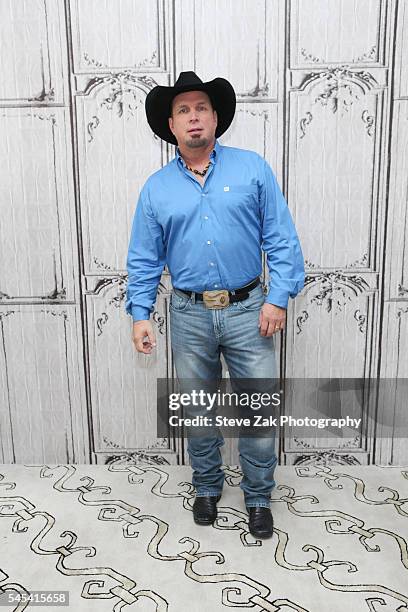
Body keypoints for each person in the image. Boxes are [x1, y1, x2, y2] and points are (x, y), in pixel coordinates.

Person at [125, 71, 305, 539]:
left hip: (251, 311)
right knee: (198, 411)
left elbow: (281, 239)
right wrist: (140, 314)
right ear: (171, 125)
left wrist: (278, 297)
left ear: (216, 116)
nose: (193, 117)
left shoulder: (252, 169)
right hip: (188, 315)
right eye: (183, 110)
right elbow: (144, 257)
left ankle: (259, 496)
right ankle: (206, 487)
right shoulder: (155, 188)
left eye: (201, 107)